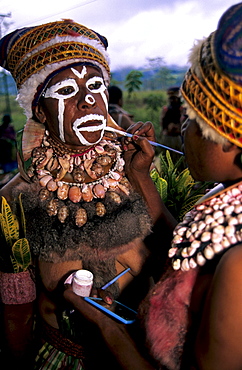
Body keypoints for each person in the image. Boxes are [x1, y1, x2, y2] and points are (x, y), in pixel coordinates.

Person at [64, 3, 242, 370]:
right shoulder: (227, 201)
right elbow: (184, 248)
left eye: (191, 119)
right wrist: (140, 175)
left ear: (225, 138)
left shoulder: (239, 272)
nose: (184, 132)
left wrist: (106, 327)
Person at [0, 20, 157, 369]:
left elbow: (162, 243)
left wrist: (140, 175)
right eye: (67, 91)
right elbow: (16, 305)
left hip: (136, 351)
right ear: (40, 111)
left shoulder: (134, 166)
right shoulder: (16, 198)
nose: (87, 100)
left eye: (96, 85)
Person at [159, 86, 186, 166]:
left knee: (180, 163)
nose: (172, 99)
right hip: (168, 139)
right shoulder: (165, 110)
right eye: (171, 97)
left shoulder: (183, 110)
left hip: (179, 139)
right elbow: (162, 124)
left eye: (174, 97)